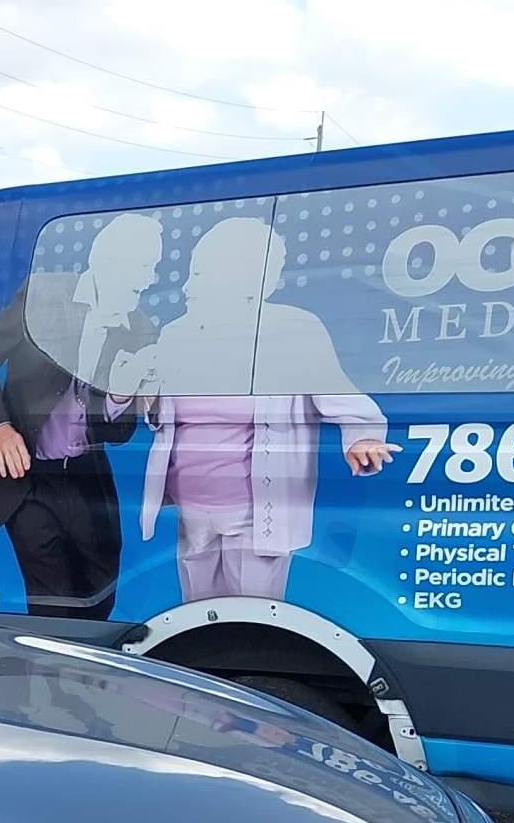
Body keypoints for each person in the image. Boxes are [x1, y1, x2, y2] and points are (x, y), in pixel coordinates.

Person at [140, 216, 396, 602]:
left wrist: (362, 437)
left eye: (202, 274)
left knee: (252, 616)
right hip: (192, 513)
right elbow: (161, 416)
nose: (188, 287)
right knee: (194, 616)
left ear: (243, 282)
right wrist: (145, 391)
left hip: (257, 514)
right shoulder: (176, 334)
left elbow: (339, 394)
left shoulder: (293, 330)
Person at [0, 213, 162, 619]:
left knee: (99, 600)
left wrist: (122, 395)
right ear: (111, 260)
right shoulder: (44, 296)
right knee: (52, 603)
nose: (151, 279)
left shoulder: (140, 329)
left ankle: (81, 677)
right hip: (27, 481)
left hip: (87, 480)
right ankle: (50, 678)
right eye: (145, 266)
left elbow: (117, 433)